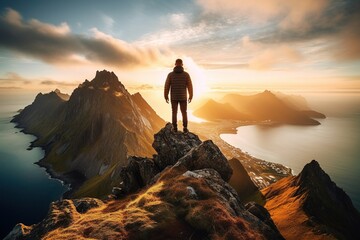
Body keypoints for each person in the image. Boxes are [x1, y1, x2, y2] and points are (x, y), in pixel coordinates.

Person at [164, 58, 193, 133]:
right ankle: (185, 128)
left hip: (174, 97)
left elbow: (166, 86)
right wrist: (190, 96)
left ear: (175, 64)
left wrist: (166, 96)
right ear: (182, 64)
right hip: (183, 97)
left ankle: (175, 128)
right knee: (184, 112)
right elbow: (190, 86)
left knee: (174, 112)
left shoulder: (170, 75)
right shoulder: (186, 75)